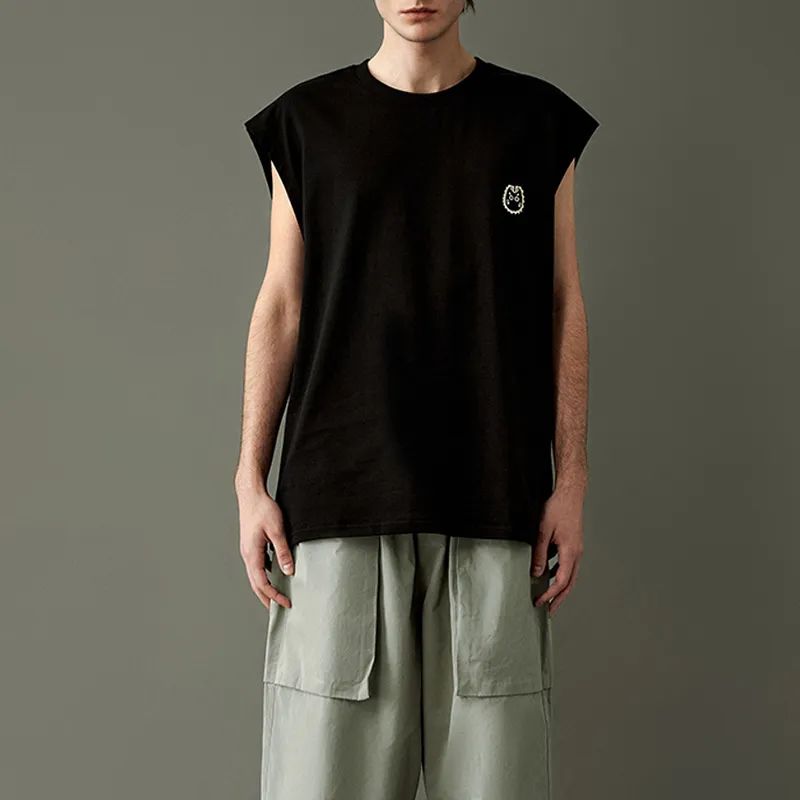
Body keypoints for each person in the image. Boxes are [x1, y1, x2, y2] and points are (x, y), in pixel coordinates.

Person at [235, 2, 599, 798]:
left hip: (497, 505)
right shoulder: (308, 124)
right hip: (336, 510)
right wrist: (248, 477)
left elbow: (563, 301)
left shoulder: (536, 123)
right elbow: (282, 304)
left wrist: (571, 479)